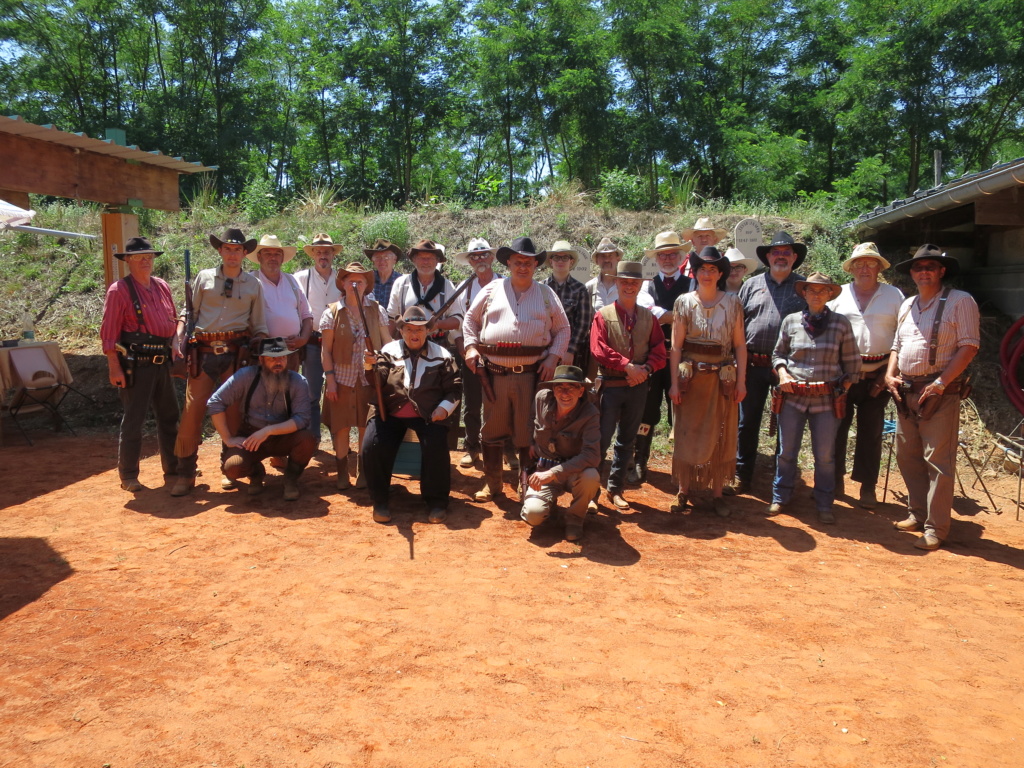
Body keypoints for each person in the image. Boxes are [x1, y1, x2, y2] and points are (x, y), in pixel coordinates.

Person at [462, 236, 571, 502]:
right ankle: (493, 484)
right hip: (495, 375)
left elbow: (563, 329)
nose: (523, 267)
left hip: (532, 377)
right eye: (518, 262)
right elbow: (469, 320)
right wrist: (471, 347)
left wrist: (553, 358)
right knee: (492, 431)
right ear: (508, 262)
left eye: (528, 262)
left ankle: (526, 484)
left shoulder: (547, 295)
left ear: (536, 265)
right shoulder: (491, 290)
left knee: (526, 432)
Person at [886, 245, 979, 550]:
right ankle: (917, 512)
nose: (923, 271)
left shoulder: (960, 301)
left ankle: (936, 528)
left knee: (937, 461)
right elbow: (897, 345)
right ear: (911, 273)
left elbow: (968, 347)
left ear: (941, 271)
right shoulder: (908, 304)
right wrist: (890, 374)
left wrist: (940, 383)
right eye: (917, 267)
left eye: (929, 266)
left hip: (940, 392)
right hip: (907, 390)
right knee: (907, 454)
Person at [171, 228, 269, 497]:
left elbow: (258, 324)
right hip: (202, 352)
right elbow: (188, 312)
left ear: (244, 253)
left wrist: (259, 347)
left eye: (237, 249)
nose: (232, 254)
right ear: (220, 251)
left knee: (234, 410)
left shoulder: (253, 284)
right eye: (227, 249)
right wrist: (179, 337)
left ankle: (231, 468)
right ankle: (186, 472)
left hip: (237, 352)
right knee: (192, 411)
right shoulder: (204, 277)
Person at [770, 273, 861, 524]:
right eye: (812, 290)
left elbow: (853, 363)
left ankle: (824, 503)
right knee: (787, 451)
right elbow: (778, 354)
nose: (817, 295)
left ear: (830, 294)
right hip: (793, 398)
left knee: (824, 455)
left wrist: (842, 388)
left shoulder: (841, 324)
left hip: (826, 401)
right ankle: (780, 497)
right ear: (804, 293)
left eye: (823, 291)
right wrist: (782, 373)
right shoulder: (790, 321)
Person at [361, 306, 461, 524]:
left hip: (428, 414)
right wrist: (370, 367)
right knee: (371, 445)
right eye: (408, 329)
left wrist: (443, 409)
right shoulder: (389, 350)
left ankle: (436, 502)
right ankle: (379, 500)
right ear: (401, 331)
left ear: (428, 331)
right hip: (389, 412)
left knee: (436, 445)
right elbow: (377, 382)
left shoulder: (442, 355)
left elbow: (454, 389)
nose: (414, 334)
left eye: (419, 329)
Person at [726, 231, 808, 496]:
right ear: (768, 257)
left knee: (788, 424)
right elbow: (737, 325)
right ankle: (742, 475)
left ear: (794, 257)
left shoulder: (803, 287)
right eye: (776, 252)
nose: (781, 256)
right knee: (746, 422)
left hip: (789, 367)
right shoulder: (752, 284)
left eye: (786, 252)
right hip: (753, 364)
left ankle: (782, 481)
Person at [667, 247, 747, 516]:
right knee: (686, 432)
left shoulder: (733, 303)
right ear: (696, 272)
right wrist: (674, 384)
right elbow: (676, 347)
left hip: (722, 379)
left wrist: (741, 382)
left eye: (713, 269)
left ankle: (716, 494)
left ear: (721, 273)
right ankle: (683, 490)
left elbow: (739, 345)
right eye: (703, 269)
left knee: (721, 433)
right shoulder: (684, 302)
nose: (707, 274)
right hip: (691, 379)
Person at [100, 236, 180, 492]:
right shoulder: (119, 290)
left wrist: (176, 339)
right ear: (127, 261)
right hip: (136, 363)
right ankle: (128, 475)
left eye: (149, 256)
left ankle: (174, 467)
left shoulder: (162, 286)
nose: (146, 261)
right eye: (139, 257)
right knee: (134, 420)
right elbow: (109, 332)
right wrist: (114, 365)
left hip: (162, 361)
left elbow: (175, 319)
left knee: (170, 417)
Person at [828, 242, 904, 509]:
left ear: (878, 267)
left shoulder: (894, 295)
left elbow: (904, 336)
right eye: (859, 263)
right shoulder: (838, 295)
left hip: (878, 375)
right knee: (836, 429)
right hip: (843, 374)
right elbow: (829, 334)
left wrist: (888, 373)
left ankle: (867, 487)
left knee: (871, 432)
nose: (864, 268)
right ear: (851, 268)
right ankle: (834, 481)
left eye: (870, 263)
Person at [590, 262, 666, 510]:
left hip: (638, 387)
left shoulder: (648, 318)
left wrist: (645, 370)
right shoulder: (603, 315)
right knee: (600, 440)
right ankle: (591, 494)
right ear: (616, 283)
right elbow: (598, 348)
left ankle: (616, 489)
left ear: (641, 284)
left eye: (634, 282)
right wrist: (627, 366)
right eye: (624, 282)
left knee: (627, 440)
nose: (629, 286)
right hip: (611, 386)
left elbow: (659, 351)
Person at [207, 337, 316, 500]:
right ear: (261, 359)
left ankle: (291, 479)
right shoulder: (245, 376)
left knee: (307, 440)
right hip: (251, 438)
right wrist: (227, 438)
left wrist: (268, 431)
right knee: (232, 468)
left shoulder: (298, 381)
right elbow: (215, 403)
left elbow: (302, 419)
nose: (278, 362)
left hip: (283, 437)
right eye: (272, 358)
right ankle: (256, 473)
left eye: (282, 357)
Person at [631, 230, 693, 485]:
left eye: (672, 254)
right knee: (646, 410)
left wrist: (665, 315)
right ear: (656, 258)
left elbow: (694, 314)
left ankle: (683, 467)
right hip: (653, 358)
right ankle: (639, 461)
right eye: (662, 255)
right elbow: (646, 312)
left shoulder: (692, 283)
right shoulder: (646, 285)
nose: (667, 259)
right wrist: (675, 314)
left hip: (683, 358)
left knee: (682, 411)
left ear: (680, 257)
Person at [320, 262, 388, 490]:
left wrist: (380, 359)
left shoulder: (377, 309)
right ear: (343, 283)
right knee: (340, 427)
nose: (355, 283)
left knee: (364, 426)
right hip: (341, 380)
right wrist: (330, 381)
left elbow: (388, 343)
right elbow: (326, 351)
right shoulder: (331, 312)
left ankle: (363, 471)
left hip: (369, 380)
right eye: (350, 280)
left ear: (367, 285)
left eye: (360, 280)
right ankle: (341, 473)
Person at [521, 365, 601, 542]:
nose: (565, 393)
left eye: (571, 388)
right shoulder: (541, 398)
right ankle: (549, 508)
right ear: (553, 390)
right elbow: (530, 420)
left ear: (581, 391)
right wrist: (531, 442)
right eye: (560, 387)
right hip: (543, 467)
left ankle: (575, 519)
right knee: (533, 515)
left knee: (591, 476)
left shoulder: (590, 414)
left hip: (573, 472)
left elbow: (592, 456)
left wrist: (552, 473)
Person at [451, 238, 499, 468]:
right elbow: (459, 325)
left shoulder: (505, 283)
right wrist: (465, 352)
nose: (480, 260)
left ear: (492, 257)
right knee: (472, 404)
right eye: (474, 256)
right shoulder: (465, 287)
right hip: (472, 354)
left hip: (501, 354)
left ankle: (505, 449)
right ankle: (472, 448)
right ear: (470, 261)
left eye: (483, 255)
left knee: (501, 403)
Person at [294, 232, 343, 440]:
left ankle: (339, 440)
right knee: (311, 392)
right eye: (319, 251)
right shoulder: (300, 278)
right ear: (313, 254)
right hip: (313, 342)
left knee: (339, 392)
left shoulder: (342, 278)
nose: (323, 255)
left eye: (327, 251)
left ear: (333, 254)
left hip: (339, 343)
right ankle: (312, 439)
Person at [250, 234, 313, 371]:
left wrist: (303, 339)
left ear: (282, 258)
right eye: (268, 253)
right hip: (263, 353)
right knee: (263, 391)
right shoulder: (250, 281)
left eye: (277, 254)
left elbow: (307, 315)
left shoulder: (292, 281)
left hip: (291, 352)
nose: (273, 258)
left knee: (290, 390)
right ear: (259, 257)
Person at [386, 239, 461, 341]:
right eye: (421, 258)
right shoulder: (400, 284)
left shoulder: (447, 286)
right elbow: (391, 319)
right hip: (405, 345)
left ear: (437, 261)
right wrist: (388, 346)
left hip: (437, 346)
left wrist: (438, 325)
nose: (426, 262)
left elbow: (457, 321)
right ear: (414, 260)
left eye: (430, 258)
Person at [543, 240, 594, 369]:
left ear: (571, 262)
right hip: (544, 351)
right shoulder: (540, 288)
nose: (560, 261)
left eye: (565, 257)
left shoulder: (580, 289)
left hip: (570, 355)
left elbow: (583, 324)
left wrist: (570, 351)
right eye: (556, 257)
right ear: (551, 261)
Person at [367, 239, 403, 308]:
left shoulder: (401, 282)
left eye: (386, 257)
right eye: (377, 257)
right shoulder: (367, 280)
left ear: (394, 260)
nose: (381, 261)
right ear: (373, 261)